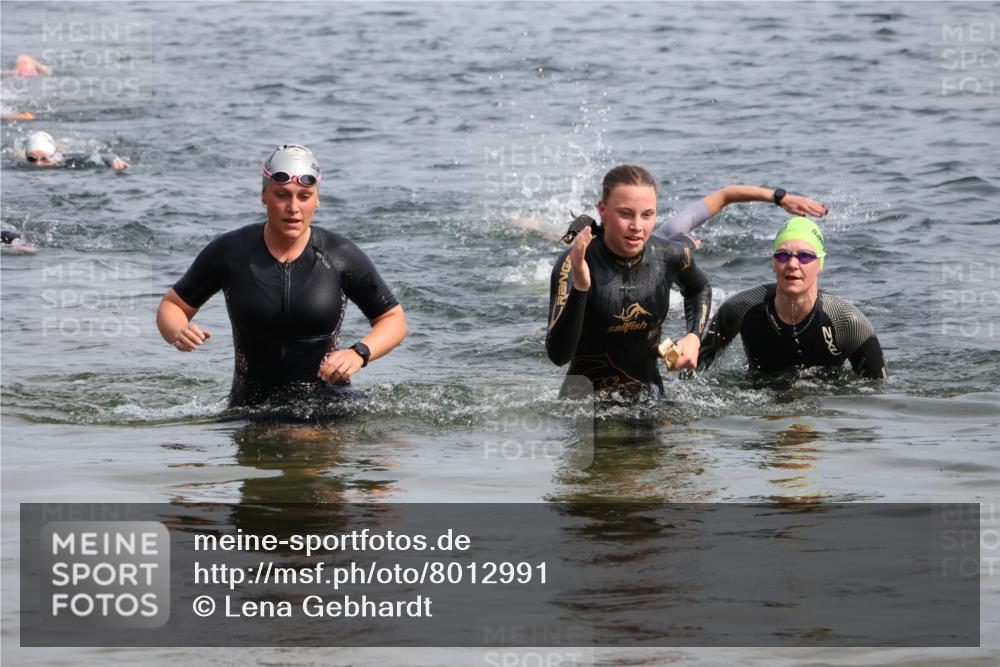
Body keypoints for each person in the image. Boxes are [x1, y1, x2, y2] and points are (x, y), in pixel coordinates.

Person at [156, 144, 408, 409]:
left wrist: (359, 353)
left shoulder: (340, 254)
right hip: (250, 409)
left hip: (328, 407)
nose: (293, 207)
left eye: (304, 196)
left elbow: (394, 320)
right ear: (264, 195)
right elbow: (172, 305)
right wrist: (178, 331)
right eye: (282, 195)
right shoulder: (231, 252)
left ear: (317, 200)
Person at [546, 165, 712, 397]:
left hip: (651, 400)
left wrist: (694, 336)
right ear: (603, 210)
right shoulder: (573, 264)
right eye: (625, 214)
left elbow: (699, 288)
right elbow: (558, 355)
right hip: (584, 406)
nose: (637, 226)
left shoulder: (669, 255)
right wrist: (581, 287)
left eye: (647, 215)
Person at [697, 216, 887, 378]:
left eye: (805, 256)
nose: (793, 264)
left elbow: (878, 393)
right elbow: (694, 371)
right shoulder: (740, 308)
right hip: (760, 402)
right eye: (783, 255)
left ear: (820, 264)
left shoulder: (847, 322)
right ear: (773, 263)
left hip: (825, 406)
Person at [22, 130, 128, 169]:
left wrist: (114, 159)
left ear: (54, 156)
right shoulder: (22, 161)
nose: (38, 164)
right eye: (32, 159)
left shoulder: (65, 159)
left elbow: (97, 156)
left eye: (44, 159)